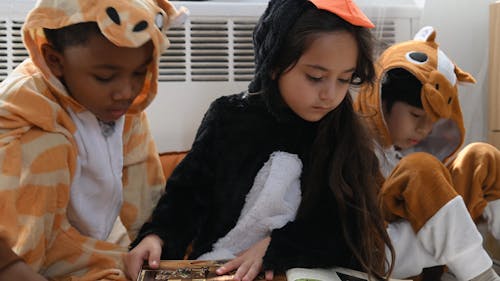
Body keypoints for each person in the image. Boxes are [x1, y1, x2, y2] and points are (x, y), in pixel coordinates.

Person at [125, 0, 396, 280]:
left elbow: (348, 230)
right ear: (276, 64)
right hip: (220, 268)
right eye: (316, 77)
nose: (330, 95)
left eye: (344, 80)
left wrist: (277, 247)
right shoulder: (229, 117)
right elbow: (187, 197)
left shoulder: (343, 134)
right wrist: (157, 237)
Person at [0, 0, 186, 280]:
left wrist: (153, 240)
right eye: (104, 77)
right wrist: (13, 266)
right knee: (45, 146)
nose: (126, 91)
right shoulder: (22, 108)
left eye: (139, 73)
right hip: (16, 251)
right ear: (54, 61)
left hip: (81, 240)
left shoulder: (127, 112)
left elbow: (145, 191)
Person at [355, 26, 500, 281]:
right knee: (420, 166)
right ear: (381, 100)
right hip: (387, 253)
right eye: (416, 116)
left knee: (481, 156)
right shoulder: (356, 149)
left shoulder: (404, 151)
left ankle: (466, 259)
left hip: (435, 240)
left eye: (433, 121)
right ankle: (481, 275)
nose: (424, 129)